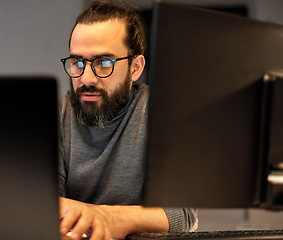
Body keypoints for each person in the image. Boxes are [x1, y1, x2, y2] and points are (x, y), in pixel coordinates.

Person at [58, 1, 198, 239]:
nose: (86, 78)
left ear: (135, 67)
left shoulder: (160, 113)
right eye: (77, 62)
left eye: (103, 63)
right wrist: (102, 217)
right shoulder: (58, 114)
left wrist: (108, 219)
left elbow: (182, 216)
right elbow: (39, 205)